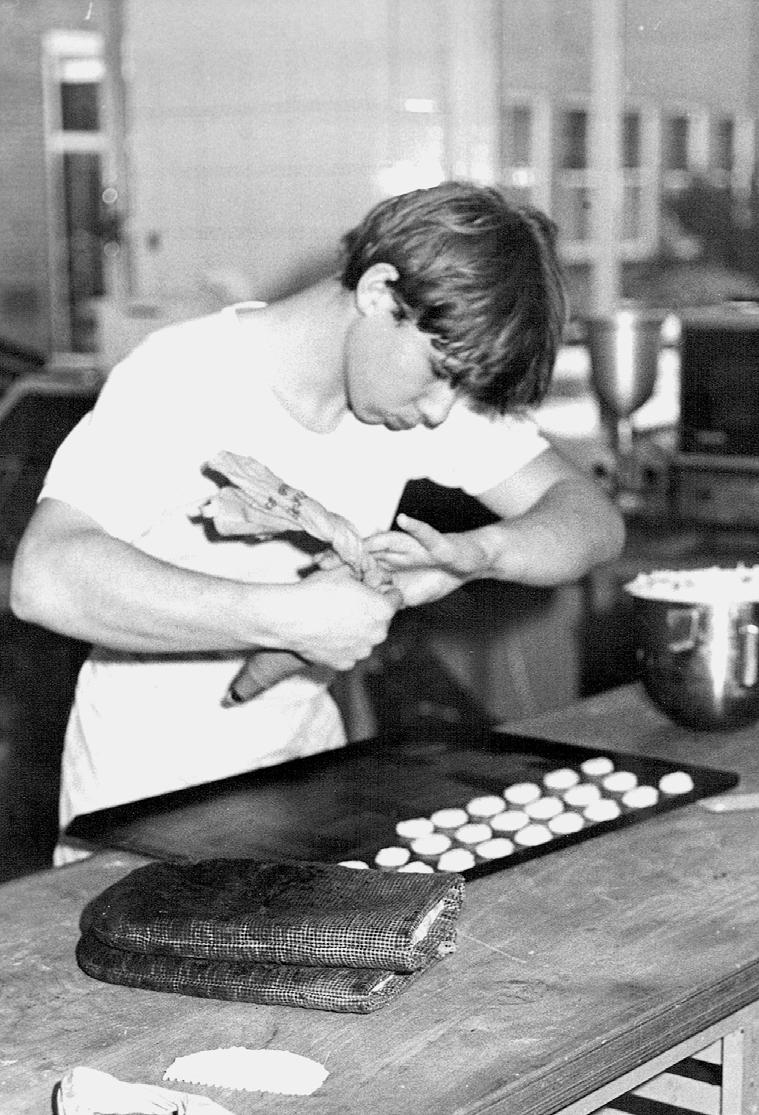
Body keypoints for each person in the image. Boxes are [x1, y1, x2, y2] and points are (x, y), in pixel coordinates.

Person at [11, 181, 624, 863]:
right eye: (439, 374)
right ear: (378, 292)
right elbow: (45, 578)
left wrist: (477, 553)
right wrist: (286, 617)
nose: (439, 412)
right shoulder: (182, 377)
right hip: (141, 806)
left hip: (309, 783)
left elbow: (591, 519)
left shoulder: (421, 388)